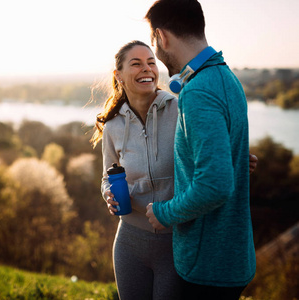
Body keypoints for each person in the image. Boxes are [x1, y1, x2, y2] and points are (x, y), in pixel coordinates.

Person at [144, 1, 256, 299]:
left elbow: (215, 185)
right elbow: (221, 160)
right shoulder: (225, 77)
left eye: (154, 42)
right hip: (232, 258)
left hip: (207, 267)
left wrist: (164, 213)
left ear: (162, 37)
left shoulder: (198, 91)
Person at [91, 40, 183, 300]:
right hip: (129, 242)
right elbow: (107, 176)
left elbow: (207, 156)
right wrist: (108, 193)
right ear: (118, 76)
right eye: (137, 64)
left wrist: (234, 158)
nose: (147, 69)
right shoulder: (112, 126)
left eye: (151, 62)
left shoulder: (180, 110)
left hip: (176, 241)